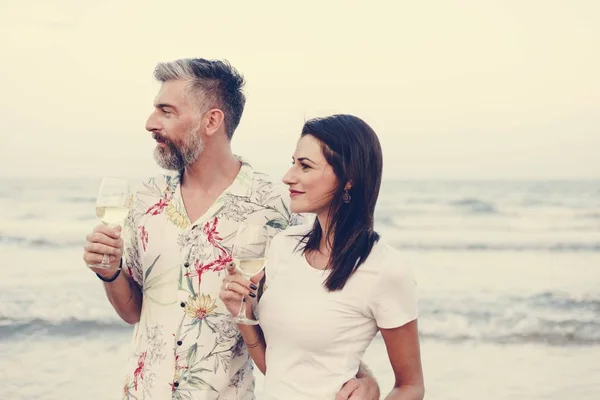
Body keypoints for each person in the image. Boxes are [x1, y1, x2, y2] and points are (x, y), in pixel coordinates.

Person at [82, 58, 379, 399]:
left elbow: (316, 316)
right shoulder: (146, 199)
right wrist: (110, 271)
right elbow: (133, 311)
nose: (151, 123)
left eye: (166, 111)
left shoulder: (279, 208)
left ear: (211, 121)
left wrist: (361, 375)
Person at [219, 114, 425, 400]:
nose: (288, 176)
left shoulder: (385, 269)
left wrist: (370, 390)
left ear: (348, 180)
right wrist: (243, 314)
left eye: (305, 166)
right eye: (293, 162)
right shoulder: (284, 246)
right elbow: (279, 369)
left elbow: (410, 387)